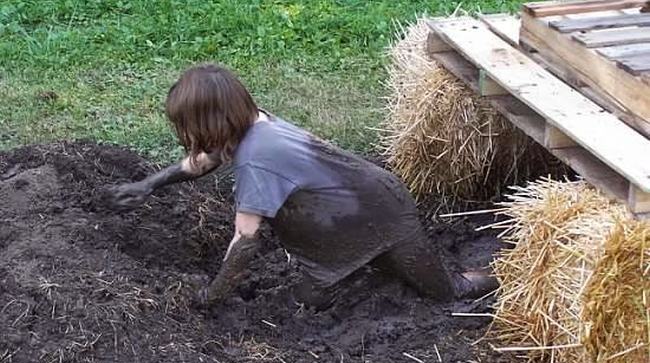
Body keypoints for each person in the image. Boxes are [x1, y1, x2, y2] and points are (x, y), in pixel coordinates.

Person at [107, 64, 497, 310]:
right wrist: (148, 185)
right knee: (312, 301)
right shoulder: (252, 123)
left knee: (448, 292)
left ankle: (509, 275)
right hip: (346, 225)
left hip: (384, 214)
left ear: (210, 124)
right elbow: (203, 162)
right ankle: (365, 269)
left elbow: (244, 240)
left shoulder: (257, 158)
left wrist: (213, 297)